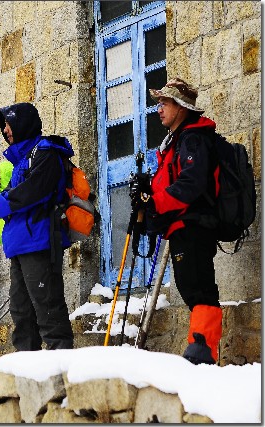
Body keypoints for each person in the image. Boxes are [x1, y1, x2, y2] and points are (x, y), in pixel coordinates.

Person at [132, 78, 222, 365]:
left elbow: (190, 185)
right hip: (183, 226)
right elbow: (172, 183)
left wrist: (153, 202)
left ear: (181, 107)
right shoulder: (178, 140)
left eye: (164, 103)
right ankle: (201, 350)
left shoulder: (192, 139)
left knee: (198, 289)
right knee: (193, 288)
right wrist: (148, 194)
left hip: (193, 225)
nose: (159, 109)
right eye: (159, 103)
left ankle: (202, 353)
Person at [0, 102, 74, 351]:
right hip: (20, 243)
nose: (5, 130)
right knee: (21, 310)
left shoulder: (45, 152)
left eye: (8, 124)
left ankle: (62, 367)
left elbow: (36, 189)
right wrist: (5, 200)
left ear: (21, 123)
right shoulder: (22, 159)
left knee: (47, 306)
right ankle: (26, 369)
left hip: (39, 239)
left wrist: (6, 201)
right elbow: (13, 192)